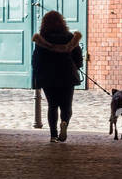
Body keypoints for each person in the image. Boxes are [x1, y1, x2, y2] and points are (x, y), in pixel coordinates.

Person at [31, 10, 84, 143]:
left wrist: (38, 75)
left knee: (52, 105)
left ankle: (53, 135)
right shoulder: (70, 38)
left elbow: (36, 61)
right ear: (62, 23)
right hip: (67, 76)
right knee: (66, 106)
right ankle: (64, 122)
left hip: (48, 78)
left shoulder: (42, 39)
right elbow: (78, 58)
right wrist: (76, 66)